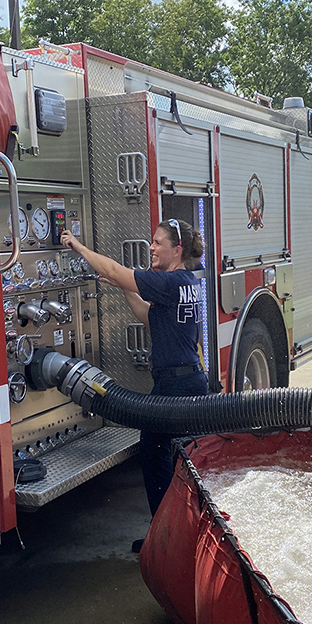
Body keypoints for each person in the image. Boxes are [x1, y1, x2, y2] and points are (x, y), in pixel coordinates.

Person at [60, 219, 208, 550]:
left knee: (156, 454)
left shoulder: (168, 283)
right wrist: (127, 287)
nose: (152, 247)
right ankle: (181, 534)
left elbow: (114, 270)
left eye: (157, 243)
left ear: (176, 249)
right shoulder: (184, 282)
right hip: (187, 382)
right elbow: (149, 318)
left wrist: (79, 247)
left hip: (175, 386)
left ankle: (166, 538)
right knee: (176, 456)